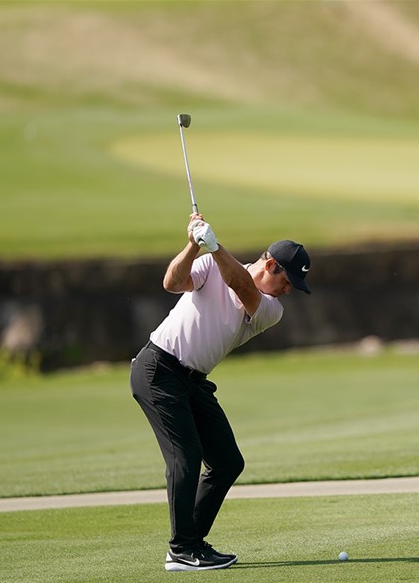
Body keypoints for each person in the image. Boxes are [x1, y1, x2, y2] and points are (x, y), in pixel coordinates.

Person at [130, 213, 311, 570]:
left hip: (192, 381)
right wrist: (193, 244)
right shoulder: (211, 265)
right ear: (271, 265)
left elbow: (242, 286)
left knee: (228, 462)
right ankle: (183, 549)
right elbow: (172, 282)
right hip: (157, 368)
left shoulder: (271, 309)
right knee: (186, 455)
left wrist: (215, 247)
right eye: (288, 282)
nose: (288, 291)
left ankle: (190, 543)